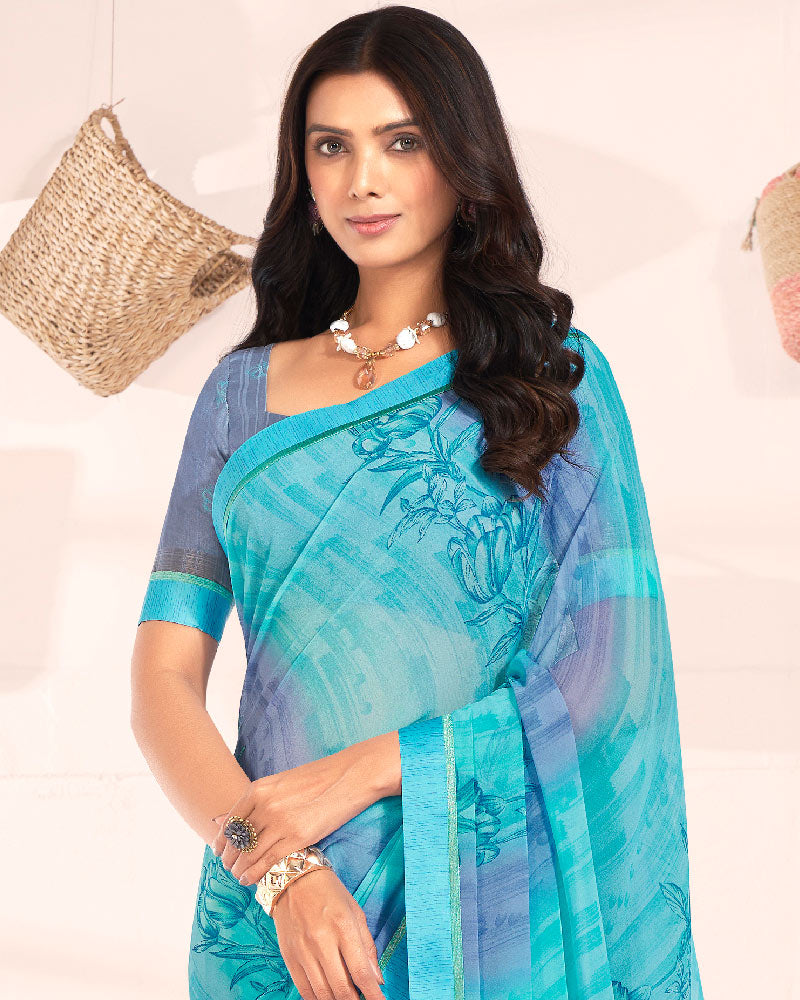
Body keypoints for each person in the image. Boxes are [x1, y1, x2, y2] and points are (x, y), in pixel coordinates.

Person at [130, 6, 705, 1000]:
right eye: (331, 146)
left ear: (462, 160)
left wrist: (362, 770)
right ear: (303, 175)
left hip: (492, 911)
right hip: (280, 916)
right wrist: (280, 869)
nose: (363, 178)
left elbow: (605, 673)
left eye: (401, 141)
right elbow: (161, 681)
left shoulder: (551, 384)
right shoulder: (237, 399)